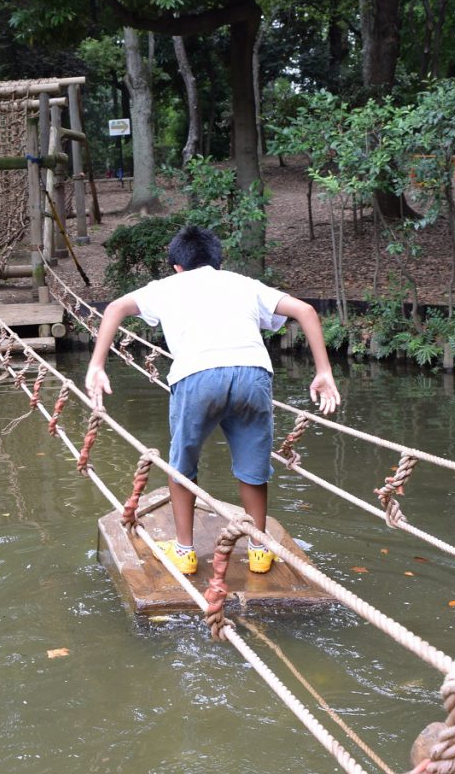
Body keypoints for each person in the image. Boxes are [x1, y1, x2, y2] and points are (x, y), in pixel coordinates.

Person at [84, 224, 340, 576]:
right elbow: (307, 311)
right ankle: (259, 550)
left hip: (197, 376)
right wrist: (323, 372)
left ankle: (185, 552)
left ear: (176, 265)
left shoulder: (166, 287)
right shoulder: (245, 285)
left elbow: (114, 308)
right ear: (219, 261)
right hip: (253, 375)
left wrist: (97, 365)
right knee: (253, 467)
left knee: (182, 466)